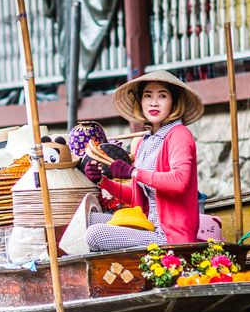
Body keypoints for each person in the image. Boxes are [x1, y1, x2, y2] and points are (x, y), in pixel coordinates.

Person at [83, 70, 203, 251]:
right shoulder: (144, 142)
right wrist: (102, 181)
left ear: (174, 102)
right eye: (148, 96)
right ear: (140, 101)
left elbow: (180, 181)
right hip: (146, 223)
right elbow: (136, 196)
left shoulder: (179, 135)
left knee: (95, 234)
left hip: (168, 236)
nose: (154, 103)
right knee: (88, 218)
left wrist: (133, 172)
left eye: (162, 96)